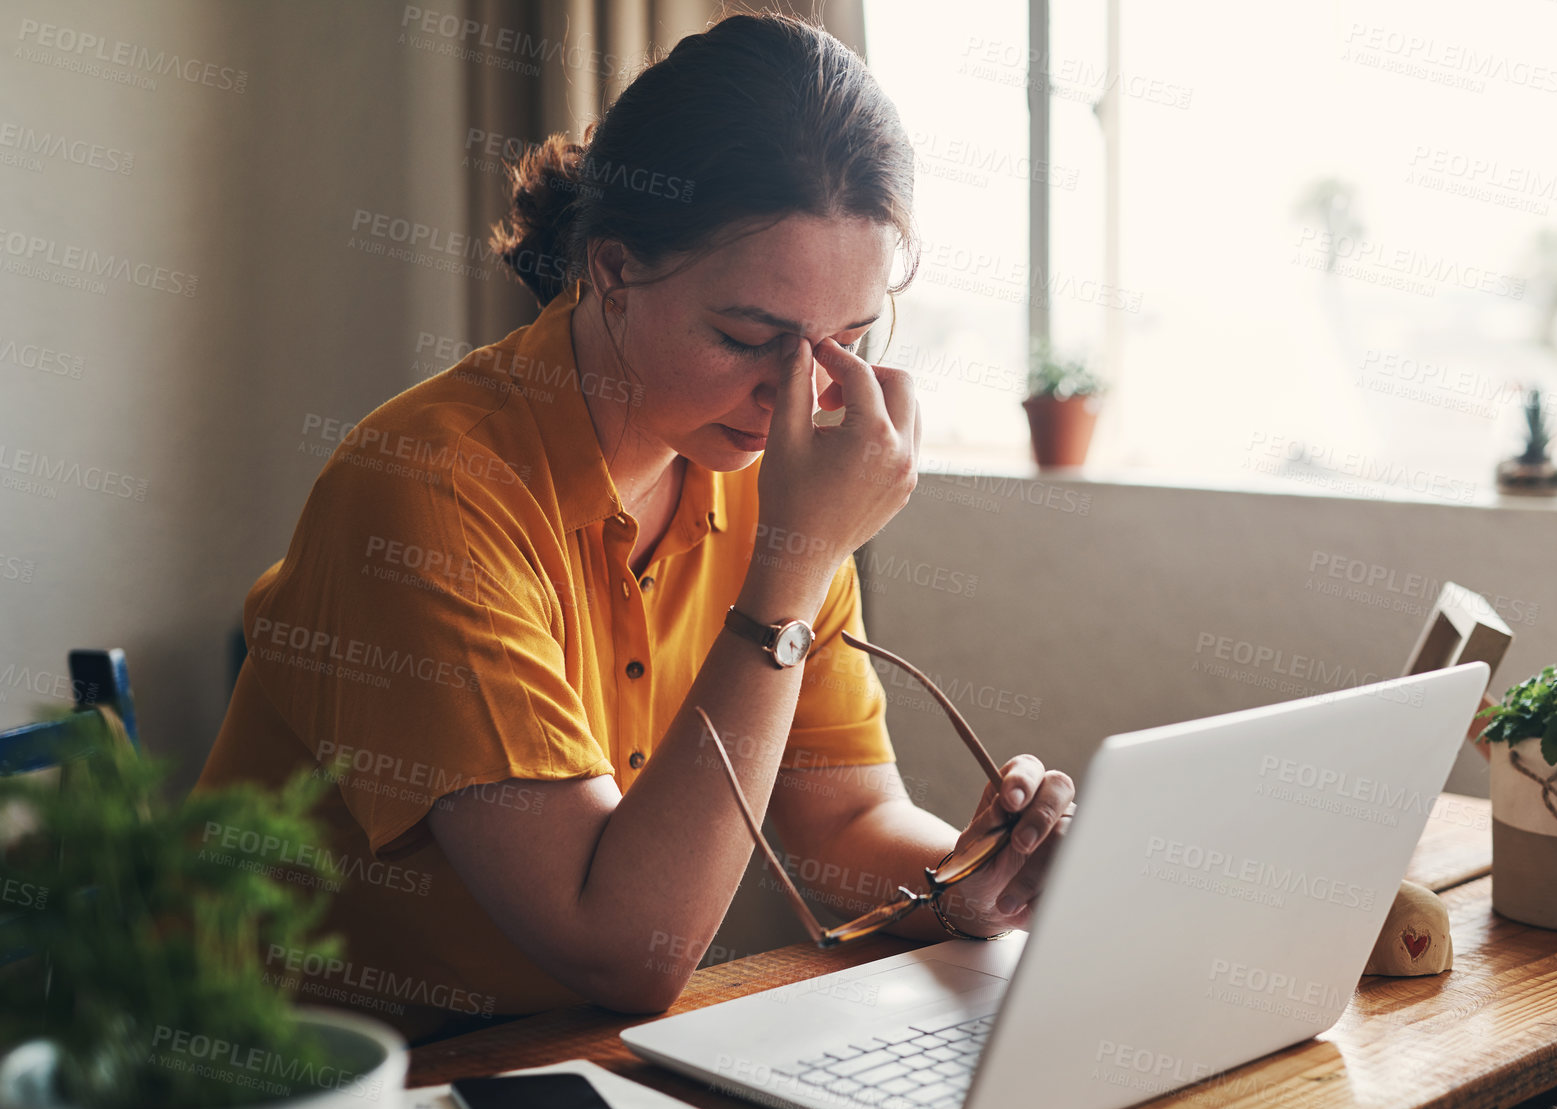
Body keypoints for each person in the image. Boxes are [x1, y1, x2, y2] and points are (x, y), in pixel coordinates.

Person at [196, 11, 1074, 1045]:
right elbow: (628, 952)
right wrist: (792, 568)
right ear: (611, 272)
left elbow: (843, 821)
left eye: (846, 340)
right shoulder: (429, 492)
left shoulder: (765, 475)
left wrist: (966, 884)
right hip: (283, 1081)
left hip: (556, 1060)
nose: (796, 393)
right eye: (750, 336)